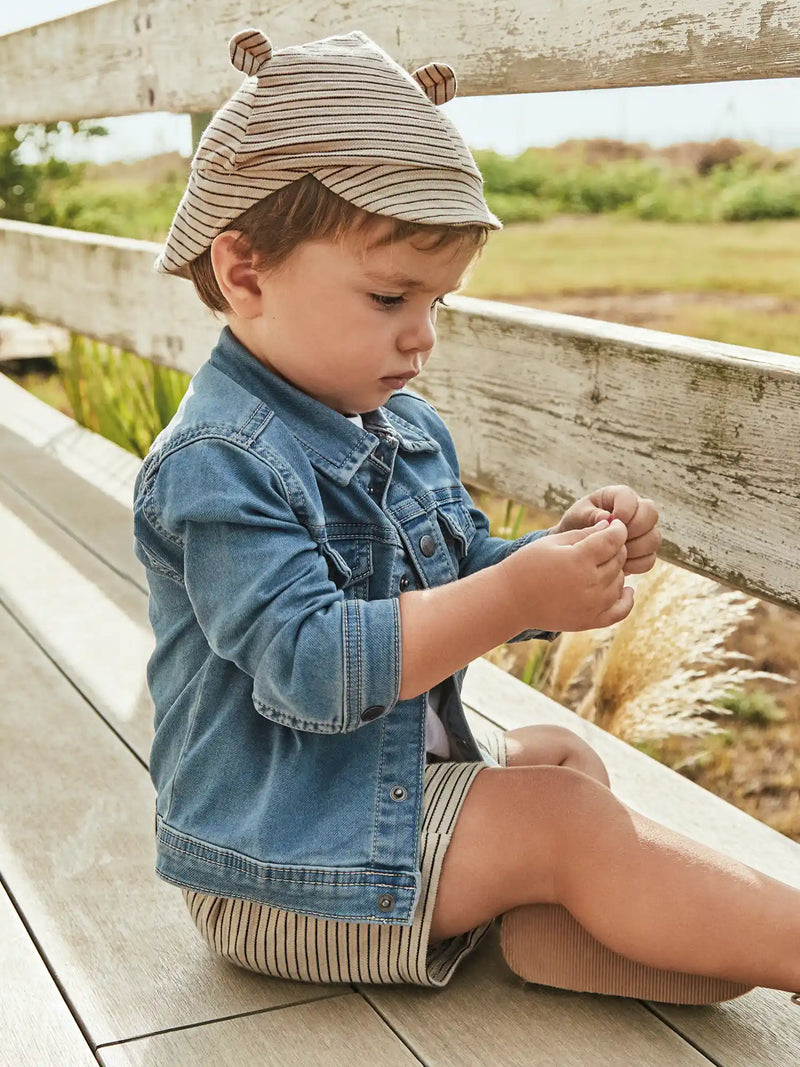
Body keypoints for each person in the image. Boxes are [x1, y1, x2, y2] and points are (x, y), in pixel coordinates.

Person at [134, 27, 800, 1005]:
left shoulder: (397, 423)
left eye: (438, 301)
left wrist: (551, 560)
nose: (423, 337)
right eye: (389, 296)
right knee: (561, 818)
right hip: (280, 861)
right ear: (245, 273)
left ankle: (558, 933)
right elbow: (313, 665)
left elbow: (457, 573)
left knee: (560, 759)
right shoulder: (217, 462)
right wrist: (510, 594)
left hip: (369, 797)